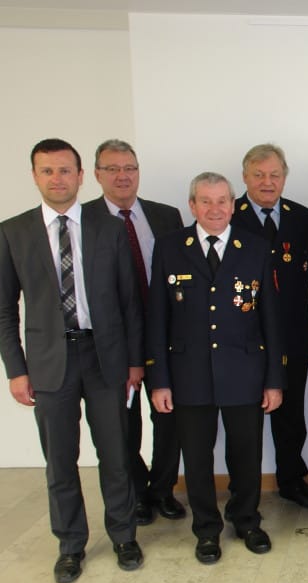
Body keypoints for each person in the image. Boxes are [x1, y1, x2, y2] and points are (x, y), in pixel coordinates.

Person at [0, 138, 144, 583]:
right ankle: (70, 545)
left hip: (104, 357)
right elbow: (5, 308)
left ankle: (123, 535)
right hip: (48, 362)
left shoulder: (109, 228)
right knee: (60, 459)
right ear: (35, 176)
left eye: (65, 171)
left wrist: (135, 362)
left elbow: (129, 301)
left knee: (116, 453)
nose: (57, 179)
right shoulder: (14, 231)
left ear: (81, 176)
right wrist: (16, 369)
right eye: (48, 171)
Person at [147, 172, 284, 564]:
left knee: (246, 454)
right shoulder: (170, 247)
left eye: (222, 200)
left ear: (232, 204)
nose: (214, 209)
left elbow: (269, 319)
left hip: (244, 370)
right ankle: (206, 529)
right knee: (197, 457)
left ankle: (246, 520)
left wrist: (274, 379)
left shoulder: (255, 247)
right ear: (192, 205)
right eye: (205, 201)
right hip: (188, 373)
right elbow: (157, 316)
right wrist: (160, 380)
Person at [84, 138, 186, 525]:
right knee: (122, 425)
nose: (123, 176)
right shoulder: (86, 220)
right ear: (96, 175)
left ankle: (161, 491)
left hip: (164, 336)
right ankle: (136, 492)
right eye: (112, 169)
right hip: (113, 341)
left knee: (170, 420)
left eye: (129, 168)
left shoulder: (166, 216)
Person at [231, 143, 308, 510]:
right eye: (259, 175)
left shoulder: (302, 217)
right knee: (244, 422)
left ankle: (291, 480)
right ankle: (244, 491)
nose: (267, 182)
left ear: (284, 177)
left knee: (290, 416)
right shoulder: (229, 217)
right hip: (244, 339)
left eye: (274, 175)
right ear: (245, 178)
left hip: (293, 336)